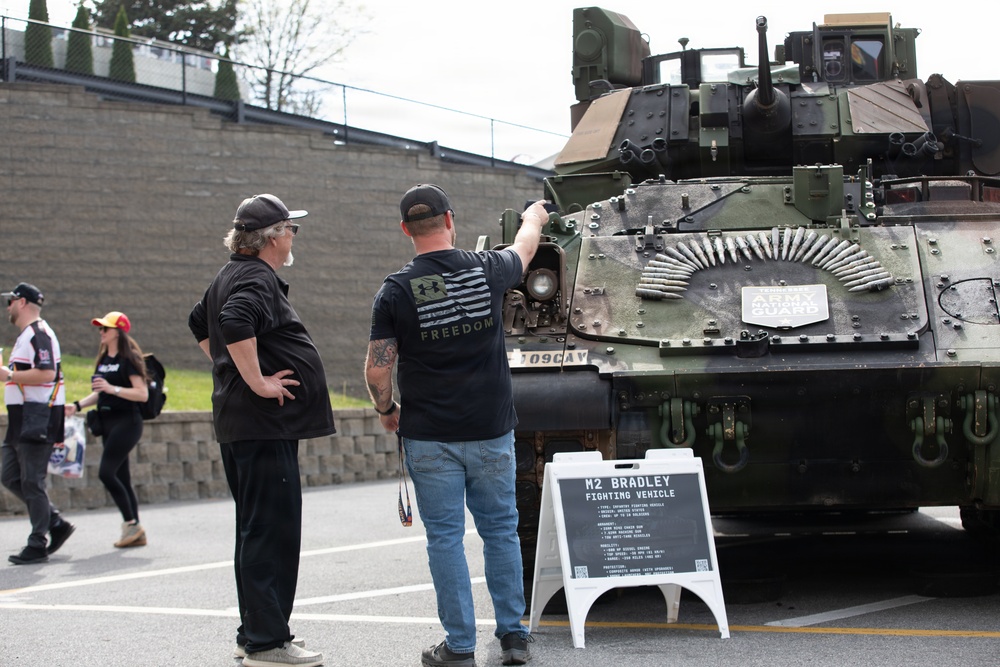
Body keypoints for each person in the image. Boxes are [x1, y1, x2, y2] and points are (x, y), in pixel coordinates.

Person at [365, 184, 549, 667]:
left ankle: (460, 647)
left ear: (406, 229)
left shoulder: (395, 290)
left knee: (444, 539)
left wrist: (387, 410)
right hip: (490, 430)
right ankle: (513, 637)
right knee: (501, 531)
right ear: (451, 219)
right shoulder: (487, 268)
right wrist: (534, 215)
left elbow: (378, 369)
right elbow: (526, 247)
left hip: (429, 437)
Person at [189, 193, 335, 667]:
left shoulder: (229, 274)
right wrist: (255, 379)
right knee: (271, 531)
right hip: (262, 423)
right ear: (272, 237)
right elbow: (231, 322)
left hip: (247, 424)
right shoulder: (253, 276)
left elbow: (199, 320)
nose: (294, 236)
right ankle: (268, 641)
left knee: (257, 529)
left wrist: (230, 370)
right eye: (291, 228)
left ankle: (254, 632)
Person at [1, 282, 76, 565]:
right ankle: (55, 522)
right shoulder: (27, 336)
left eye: (10, 301)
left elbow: (47, 373)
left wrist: (7, 375)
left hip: (37, 416)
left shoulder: (38, 333)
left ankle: (38, 542)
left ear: (21, 303)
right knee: (10, 476)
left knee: (32, 480)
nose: (7, 307)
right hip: (22, 417)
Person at [65, 311, 149, 548]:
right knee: (122, 476)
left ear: (118, 332)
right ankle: (135, 530)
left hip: (127, 423)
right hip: (107, 422)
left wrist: (113, 389)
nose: (101, 333)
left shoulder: (129, 358)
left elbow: (142, 394)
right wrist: (77, 405)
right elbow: (100, 391)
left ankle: (132, 524)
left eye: (105, 329)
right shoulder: (103, 359)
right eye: (100, 329)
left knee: (106, 472)